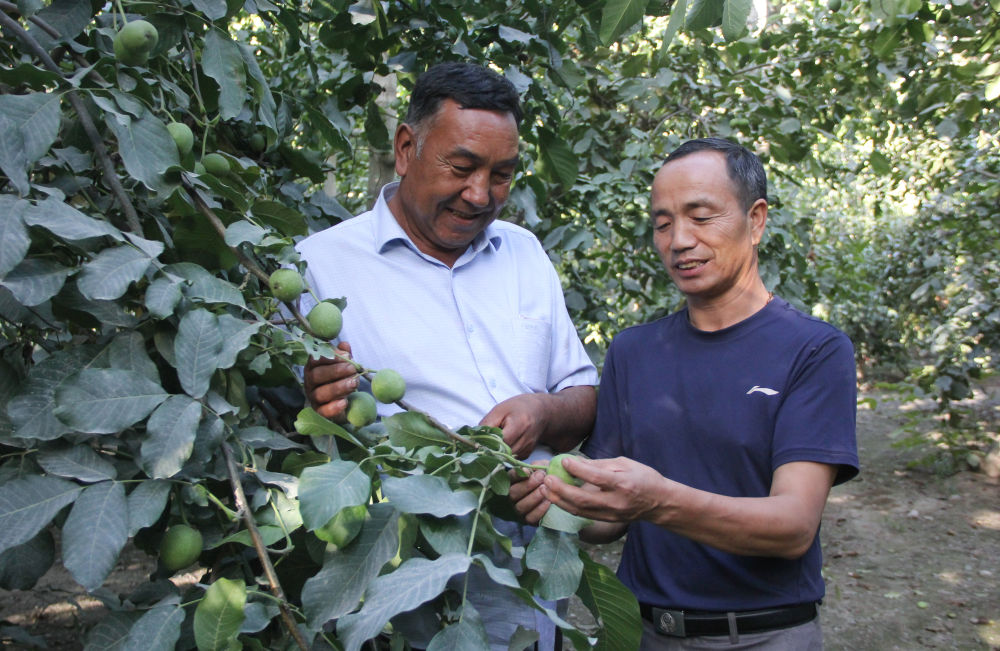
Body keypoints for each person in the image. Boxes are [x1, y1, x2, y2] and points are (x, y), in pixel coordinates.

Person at [511, 137, 860, 650]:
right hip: (647, 632)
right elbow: (608, 521)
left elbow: (792, 527)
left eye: (701, 216)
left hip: (763, 636)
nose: (679, 240)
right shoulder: (634, 351)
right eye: (662, 223)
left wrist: (656, 500)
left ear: (756, 219)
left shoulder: (813, 350)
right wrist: (560, 499)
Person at [296, 62, 598, 650]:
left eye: (502, 174)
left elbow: (584, 398)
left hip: (535, 569)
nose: (480, 194)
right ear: (406, 148)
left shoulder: (525, 253)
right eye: (460, 168)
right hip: (404, 581)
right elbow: (305, 427)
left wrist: (541, 411)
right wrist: (319, 397)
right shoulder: (318, 266)